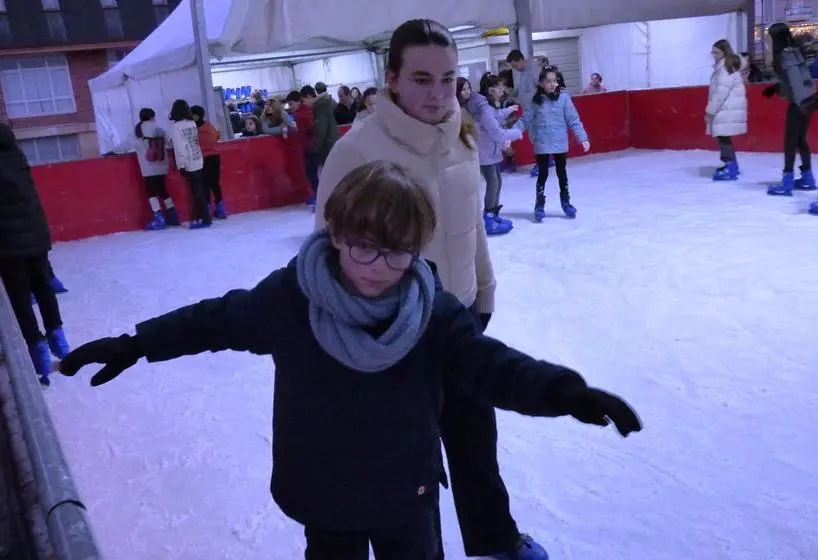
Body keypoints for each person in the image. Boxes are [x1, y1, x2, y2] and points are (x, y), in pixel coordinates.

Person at [58, 160, 642, 560]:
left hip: (405, 495)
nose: (377, 266)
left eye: (397, 252)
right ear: (335, 231)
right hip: (323, 493)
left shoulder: (430, 312)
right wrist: (137, 342)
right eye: (363, 245)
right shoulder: (291, 299)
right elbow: (215, 320)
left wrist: (565, 393)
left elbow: (491, 366)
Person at [314, 18, 550, 560]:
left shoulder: (461, 131)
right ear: (392, 78)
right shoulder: (357, 150)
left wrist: (484, 289)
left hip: (459, 318)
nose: (438, 94)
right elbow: (327, 248)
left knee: (474, 442)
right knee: (412, 467)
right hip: (393, 336)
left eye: (448, 80)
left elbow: (470, 226)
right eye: (422, 79)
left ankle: (495, 536)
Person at [0, 123, 70, 386]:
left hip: (7, 242)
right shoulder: (15, 153)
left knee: (20, 298)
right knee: (43, 286)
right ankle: (59, 339)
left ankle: (38, 354)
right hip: (36, 232)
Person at [514, 66, 590, 222]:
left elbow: (573, 120)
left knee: (562, 173)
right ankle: (539, 203)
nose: (551, 84)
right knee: (542, 174)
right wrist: (511, 135)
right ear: (541, 83)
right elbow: (524, 120)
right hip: (542, 142)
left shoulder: (564, 98)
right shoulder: (536, 101)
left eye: (554, 81)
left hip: (559, 142)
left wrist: (583, 138)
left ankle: (566, 201)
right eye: (548, 81)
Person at [763, 22, 818, 209]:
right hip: (809, 99)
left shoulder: (784, 55)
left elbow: (795, 79)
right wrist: (776, 88)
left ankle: (787, 181)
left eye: (769, 37)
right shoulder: (795, 51)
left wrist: (801, 102)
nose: (767, 40)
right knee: (801, 140)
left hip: (801, 102)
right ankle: (808, 177)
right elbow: (801, 79)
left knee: (790, 142)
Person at [467, 73, 522, 234]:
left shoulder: (487, 106)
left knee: (497, 181)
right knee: (493, 183)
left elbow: (494, 115)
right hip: (485, 152)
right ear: (490, 90)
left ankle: (494, 213)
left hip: (491, 150)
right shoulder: (483, 109)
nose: (502, 91)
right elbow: (497, 132)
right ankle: (488, 218)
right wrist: (516, 133)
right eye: (500, 88)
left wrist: (507, 110)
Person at [123, 107, 181, 230]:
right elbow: (170, 143)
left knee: (151, 192)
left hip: (147, 167)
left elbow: (126, 145)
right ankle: (173, 215)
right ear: (152, 117)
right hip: (161, 165)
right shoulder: (160, 129)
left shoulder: (137, 132)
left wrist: (113, 151)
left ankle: (159, 217)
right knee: (162, 189)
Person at [705, 40, 748, 181]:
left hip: (726, 108)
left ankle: (731, 165)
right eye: (713, 52)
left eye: (716, 52)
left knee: (723, 137)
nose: (713, 55)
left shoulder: (725, 68)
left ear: (724, 52)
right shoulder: (725, 66)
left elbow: (720, 93)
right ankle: (731, 164)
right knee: (723, 137)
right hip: (727, 108)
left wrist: (710, 111)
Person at [168, 99, 211, 229]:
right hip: (198, 158)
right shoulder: (192, 123)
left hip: (189, 161)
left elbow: (180, 148)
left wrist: (181, 165)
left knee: (196, 192)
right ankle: (203, 217)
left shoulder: (176, 127)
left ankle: (204, 218)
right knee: (200, 191)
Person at [191, 105, 227, 219]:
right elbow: (217, 135)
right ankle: (220, 208)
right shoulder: (208, 125)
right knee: (215, 183)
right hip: (215, 157)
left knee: (205, 184)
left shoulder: (194, 128)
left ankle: (207, 209)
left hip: (204, 158)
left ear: (196, 115)